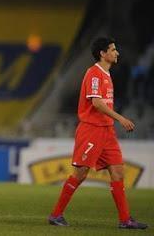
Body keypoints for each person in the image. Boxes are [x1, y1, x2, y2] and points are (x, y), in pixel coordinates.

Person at [48, 37, 148, 229]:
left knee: (118, 172)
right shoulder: (94, 74)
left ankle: (125, 220)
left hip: (107, 131)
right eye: (113, 49)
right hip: (92, 130)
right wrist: (121, 118)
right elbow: (97, 103)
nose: (116, 52)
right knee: (81, 174)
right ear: (103, 53)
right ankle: (56, 215)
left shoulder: (106, 74)